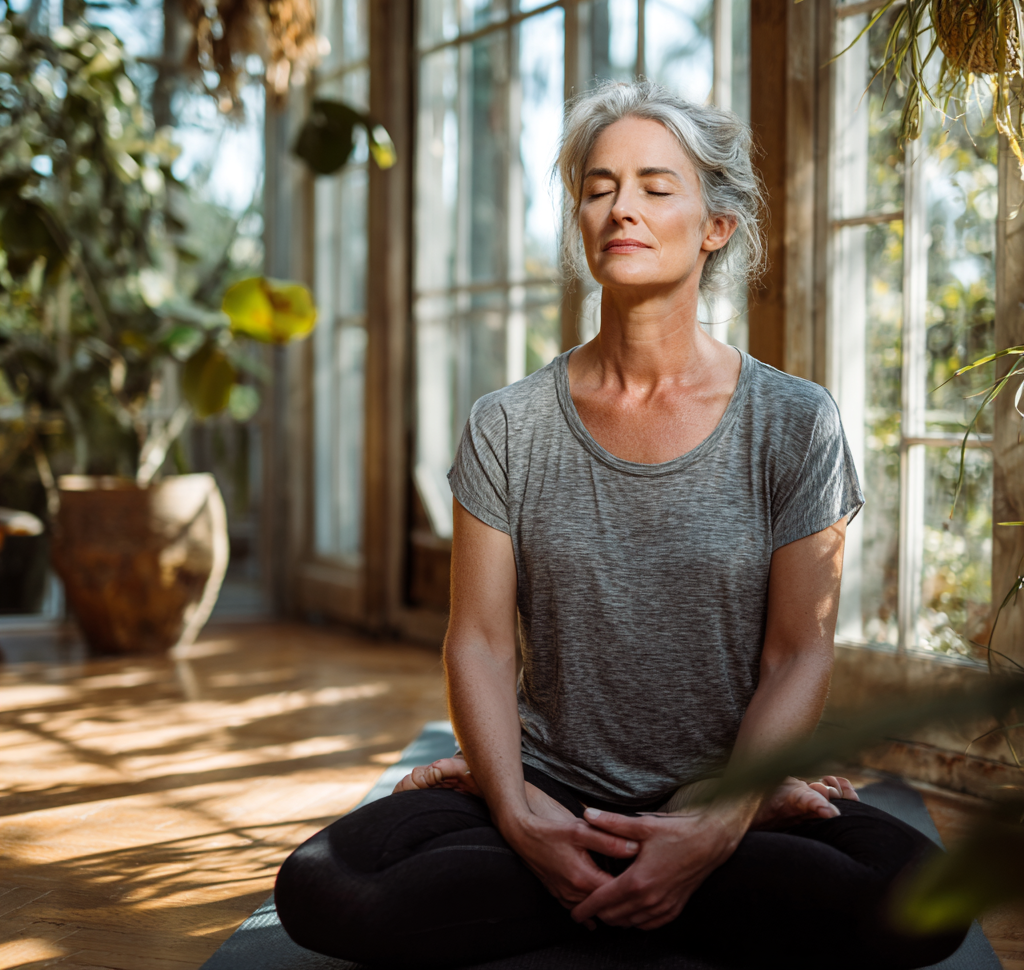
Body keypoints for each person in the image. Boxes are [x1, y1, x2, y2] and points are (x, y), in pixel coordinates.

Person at [274, 81, 969, 969]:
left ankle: (642, 865)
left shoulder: (795, 423)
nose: (620, 210)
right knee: (324, 885)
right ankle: (630, 869)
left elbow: (799, 653)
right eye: (598, 188)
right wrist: (518, 810)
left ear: (715, 225)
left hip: (719, 782)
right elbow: (478, 644)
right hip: (551, 780)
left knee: (924, 905)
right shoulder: (508, 424)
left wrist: (720, 818)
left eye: (654, 186)